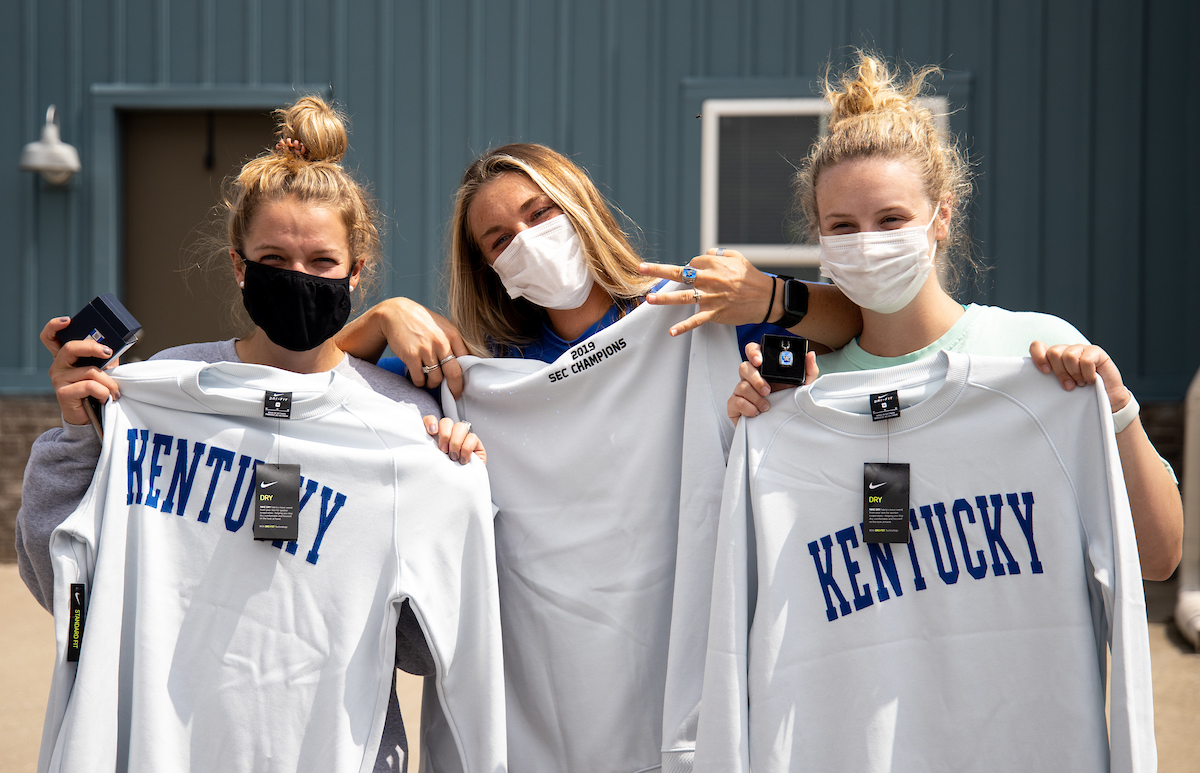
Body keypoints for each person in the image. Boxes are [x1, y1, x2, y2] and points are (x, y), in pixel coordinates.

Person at [334, 142, 862, 773]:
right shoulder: (475, 370)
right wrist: (385, 316)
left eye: (539, 213)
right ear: (487, 270)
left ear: (579, 206)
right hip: (535, 713)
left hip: (675, 699)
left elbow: (850, 323)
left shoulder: (691, 318)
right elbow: (321, 380)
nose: (526, 240)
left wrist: (769, 296)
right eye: (499, 240)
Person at [16, 96, 495, 772]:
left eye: (322, 262)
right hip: (170, 747)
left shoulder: (398, 422)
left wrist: (441, 502)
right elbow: (61, 583)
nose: (297, 279)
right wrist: (77, 437)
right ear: (239, 266)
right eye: (273, 257)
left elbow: (423, 649)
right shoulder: (166, 390)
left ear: (357, 273)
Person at [726, 51, 1182, 581]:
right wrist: (758, 431)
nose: (869, 243)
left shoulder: (1037, 352)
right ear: (819, 237)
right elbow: (856, 569)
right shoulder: (810, 395)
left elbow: (1159, 556)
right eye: (843, 226)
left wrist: (1117, 408)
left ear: (941, 216)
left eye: (892, 219)